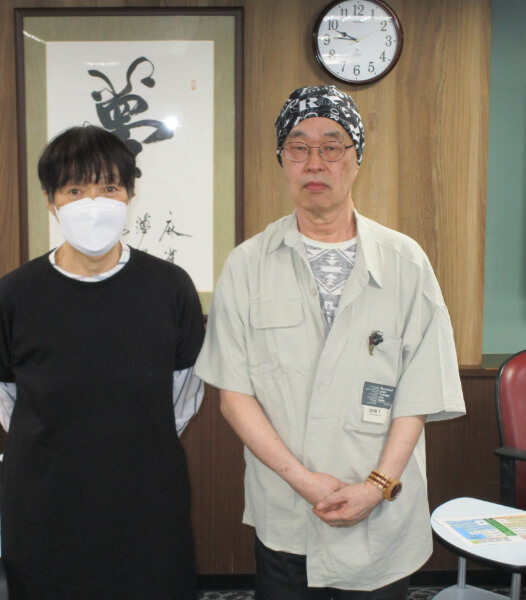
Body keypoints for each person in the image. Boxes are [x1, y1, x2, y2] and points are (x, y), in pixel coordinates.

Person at [194, 85, 466, 599]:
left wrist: (377, 486)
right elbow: (233, 396)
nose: (315, 162)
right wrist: (304, 481)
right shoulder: (247, 265)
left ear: (357, 158)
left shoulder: (405, 263)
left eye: (332, 146)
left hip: (382, 512)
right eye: (298, 147)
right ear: (282, 160)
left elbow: (421, 392)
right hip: (288, 510)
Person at [0, 125, 205, 599]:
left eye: (109, 188)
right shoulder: (15, 295)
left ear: (130, 195)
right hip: (43, 501)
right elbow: (8, 397)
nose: (94, 204)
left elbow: (182, 398)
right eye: (75, 190)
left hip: (147, 498)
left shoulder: (170, 288)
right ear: (50, 200)